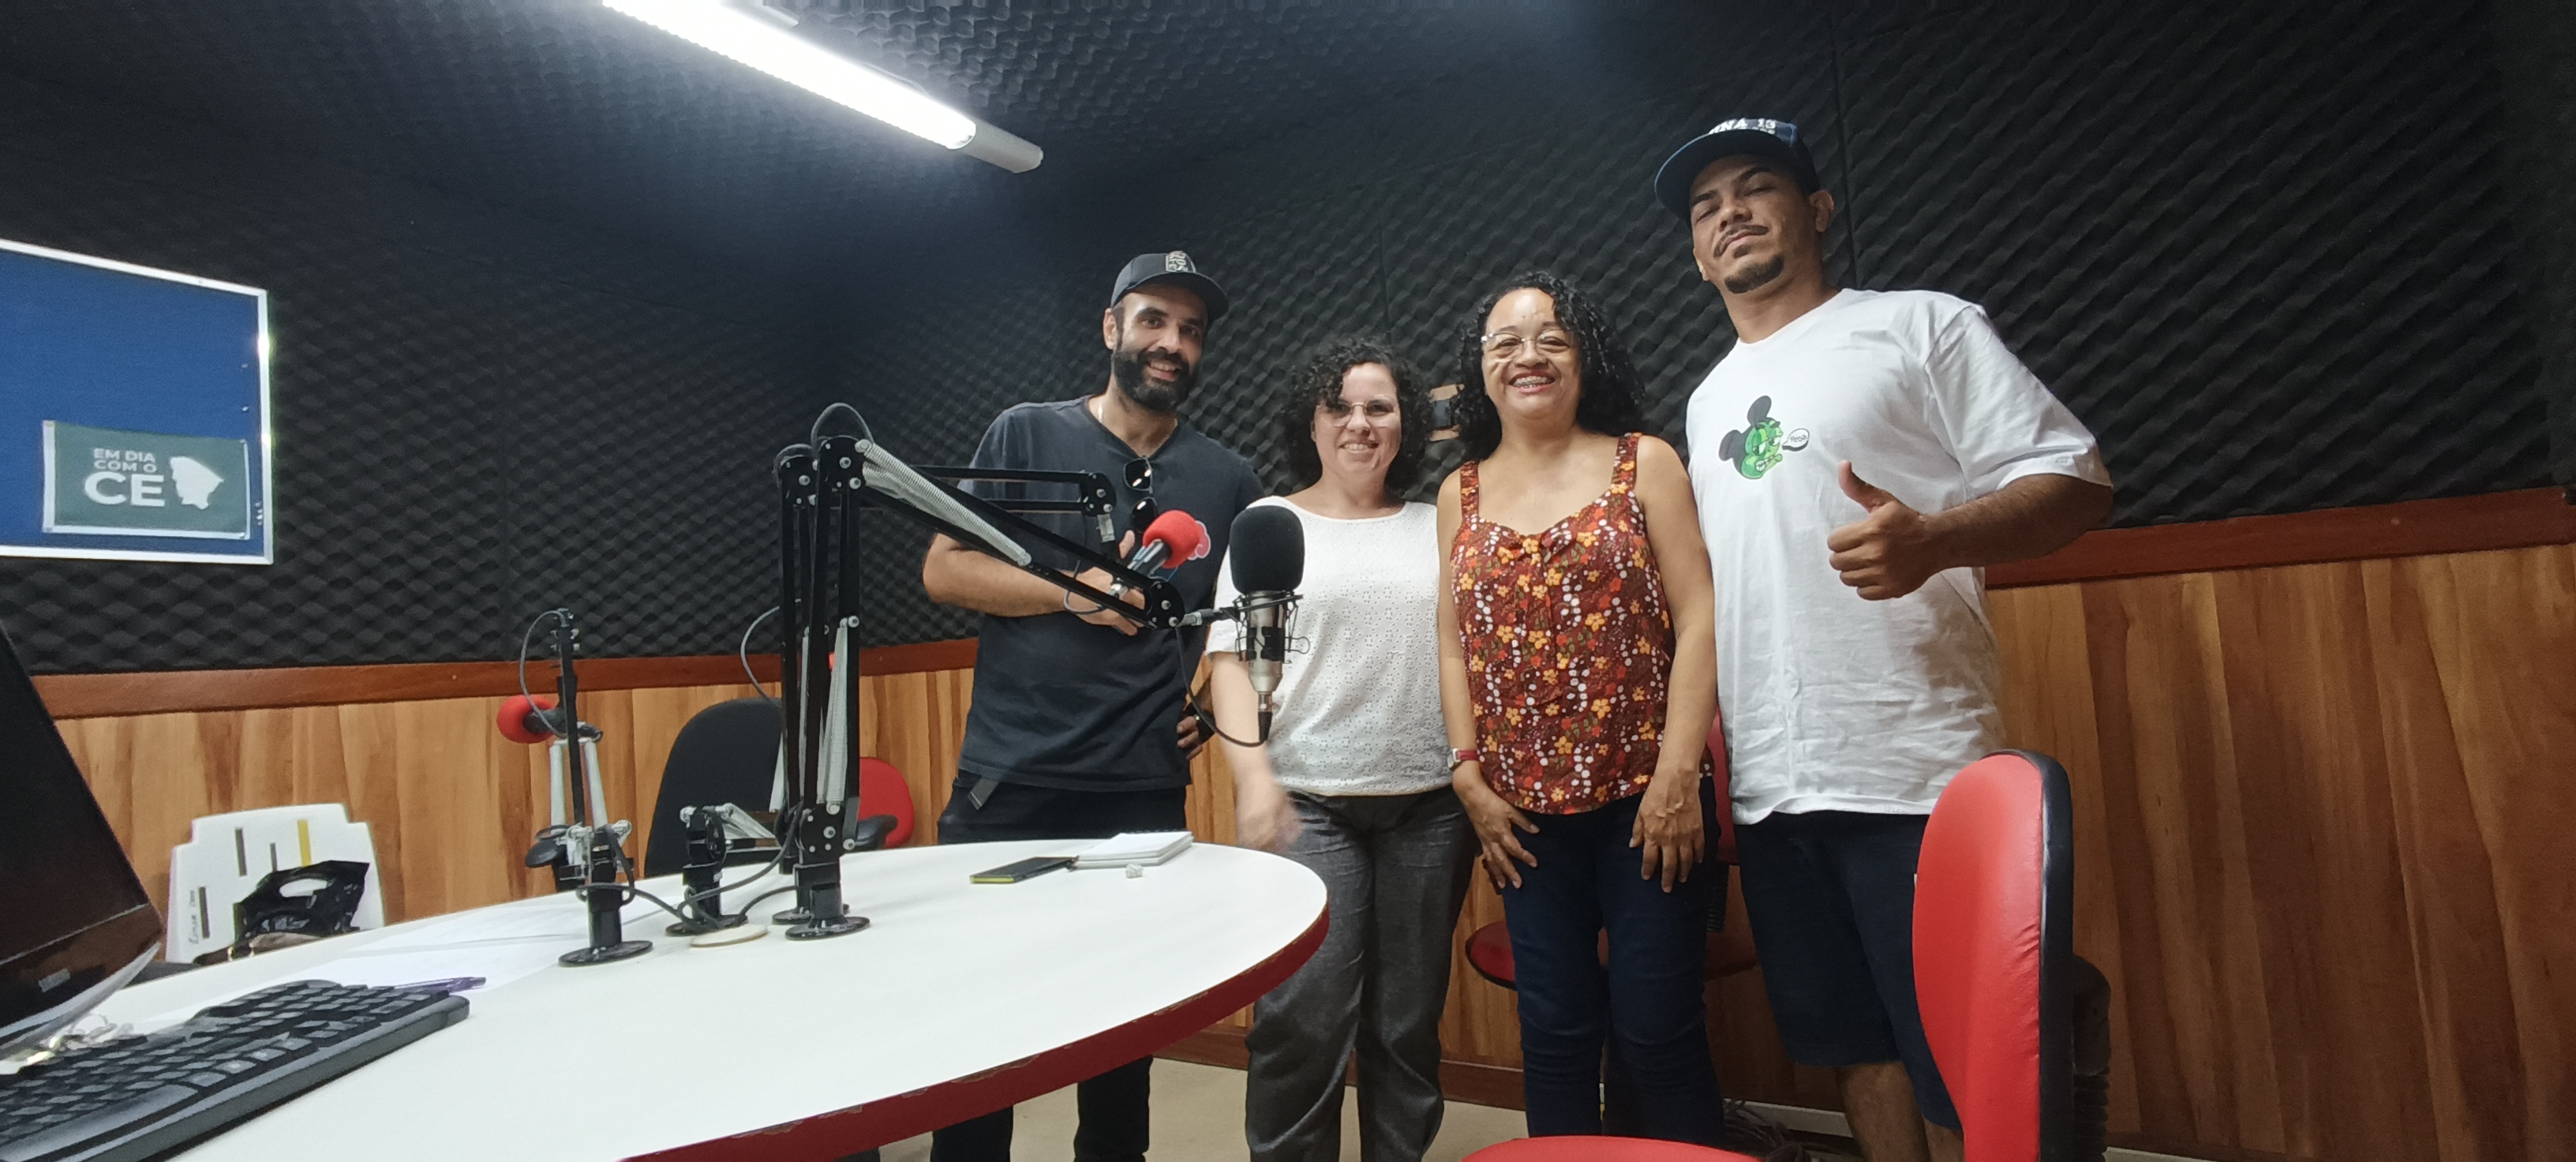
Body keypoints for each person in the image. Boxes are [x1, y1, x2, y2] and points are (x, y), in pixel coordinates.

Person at [1653, 118, 2115, 1162]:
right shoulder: (1709, 398)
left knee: (1958, 1056)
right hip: (1774, 787)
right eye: (1706, 206)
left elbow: (2076, 480)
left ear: (1817, 210)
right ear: (1697, 252)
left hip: (1912, 770)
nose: (1729, 212)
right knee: (1852, 1045)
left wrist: (1936, 540)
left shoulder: (1920, 326)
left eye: (1756, 186)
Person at [917, 251, 1260, 1162]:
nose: (1172, 342)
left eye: (1191, 330)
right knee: (978, 1025)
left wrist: (1202, 706)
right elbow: (945, 569)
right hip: (1010, 782)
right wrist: (1070, 591)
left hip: (1139, 788)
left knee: (1122, 1035)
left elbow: (1235, 620)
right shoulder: (1025, 433)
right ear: (1111, 328)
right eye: (1153, 320)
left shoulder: (1226, 477)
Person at [1434, 271, 1725, 1145]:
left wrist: (1678, 775)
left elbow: (1700, 614)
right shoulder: (1459, 492)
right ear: (1481, 368)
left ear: (1584, 357)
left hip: (1649, 801)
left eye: (1551, 338)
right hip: (1520, 814)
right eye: (1505, 342)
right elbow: (1451, 643)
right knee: (1555, 1035)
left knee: (1657, 1032)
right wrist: (1467, 775)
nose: (1528, 355)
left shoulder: (1647, 461)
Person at [1204, 337, 1472, 1162]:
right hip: (1310, 803)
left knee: (1406, 1026)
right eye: (1340, 407)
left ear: (1406, 424)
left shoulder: (1439, 524)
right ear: (1311, 423)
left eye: (1379, 408)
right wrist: (1253, 777)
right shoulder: (1267, 525)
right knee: (1303, 1019)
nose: (1360, 423)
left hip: (1430, 807)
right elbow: (1228, 661)